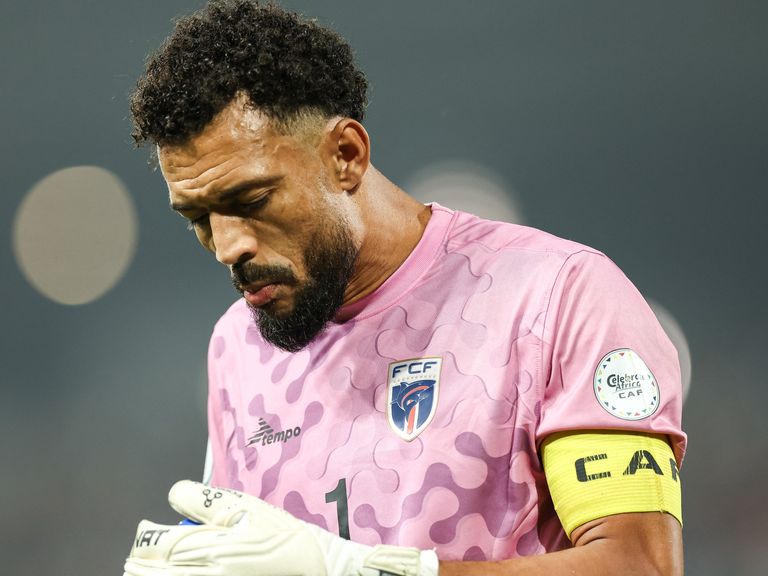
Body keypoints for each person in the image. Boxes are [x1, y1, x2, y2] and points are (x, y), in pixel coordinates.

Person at [124, 1, 685, 575]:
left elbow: (640, 565)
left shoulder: (556, 298)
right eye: (198, 218)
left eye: (252, 200)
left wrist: (365, 572)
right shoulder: (238, 346)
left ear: (346, 155)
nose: (226, 247)